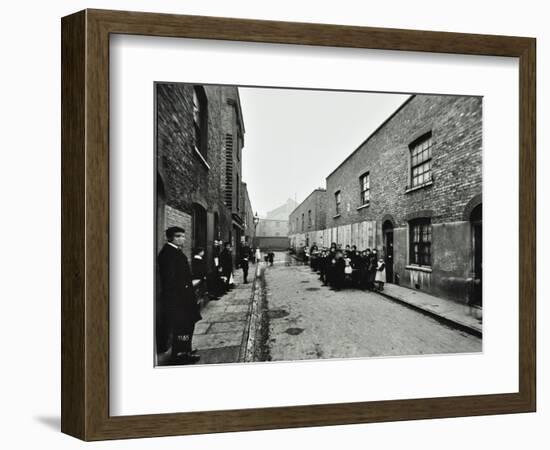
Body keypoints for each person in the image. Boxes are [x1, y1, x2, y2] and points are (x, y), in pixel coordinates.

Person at [157, 226, 201, 365]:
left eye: (183, 236)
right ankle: (181, 354)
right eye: (179, 236)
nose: (182, 238)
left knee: (187, 326)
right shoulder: (168, 253)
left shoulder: (174, 251)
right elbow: (171, 280)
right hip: (179, 300)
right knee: (183, 327)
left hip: (184, 297)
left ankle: (185, 349)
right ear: (171, 238)